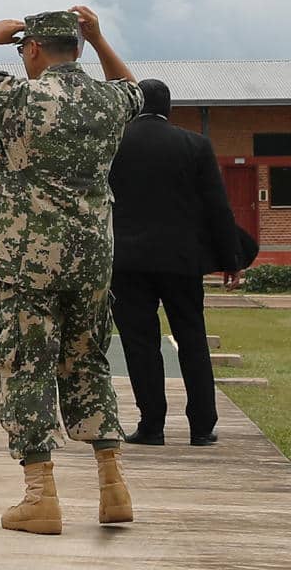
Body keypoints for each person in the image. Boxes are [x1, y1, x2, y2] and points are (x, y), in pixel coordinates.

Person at [0, 7, 141, 536]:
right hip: (92, 256)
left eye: (24, 48)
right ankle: (113, 486)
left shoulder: (18, 97)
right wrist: (99, 38)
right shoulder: (108, 100)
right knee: (87, 362)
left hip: (29, 261)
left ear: (33, 49)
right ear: (79, 48)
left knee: (26, 364)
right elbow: (133, 88)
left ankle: (40, 496)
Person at [109, 78, 243, 448]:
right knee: (192, 338)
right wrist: (230, 258)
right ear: (169, 109)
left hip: (127, 261)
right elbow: (217, 207)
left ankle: (152, 425)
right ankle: (202, 426)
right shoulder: (195, 144)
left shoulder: (114, 143)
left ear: (134, 104)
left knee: (141, 344)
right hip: (181, 260)